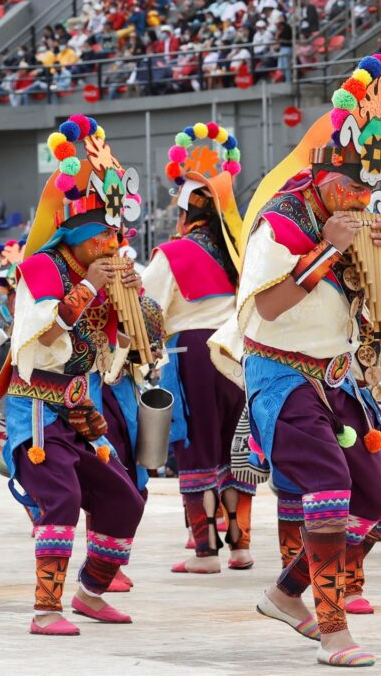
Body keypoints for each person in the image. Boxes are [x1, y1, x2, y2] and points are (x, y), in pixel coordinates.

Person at [243, 54, 381, 667]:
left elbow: (379, 308)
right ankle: (333, 627)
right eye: (350, 188)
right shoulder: (281, 222)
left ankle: (285, 593)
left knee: (376, 500)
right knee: (329, 488)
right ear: (321, 174)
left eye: (368, 191)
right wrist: (327, 250)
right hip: (282, 376)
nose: (360, 200)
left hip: (336, 378)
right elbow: (267, 305)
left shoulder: (356, 218)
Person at [0, 115, 146, 635]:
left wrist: (132, 310)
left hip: (84, 403)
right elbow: (37, 338)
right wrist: (86, 291)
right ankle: (45, 610)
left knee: (124, 497)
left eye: (114, 234)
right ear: (75, 235)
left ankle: (90, 593)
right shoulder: (39, 268)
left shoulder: (102, 271)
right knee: (61, 498)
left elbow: (118, 346)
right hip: (37, 404)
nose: (111, 243)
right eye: (102, 235)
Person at [143, 120, 256, 573]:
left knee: (197, 448)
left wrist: (146, 349)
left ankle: (205, 550)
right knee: (235, 450)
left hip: (192, 355)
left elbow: (148, 309)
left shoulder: (173, 254)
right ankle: (241, 545)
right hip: (237, 354)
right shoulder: (240, 253)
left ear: (188, 210)